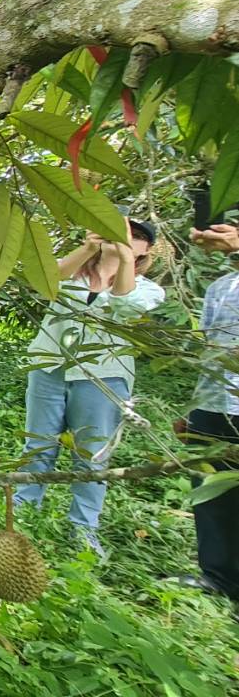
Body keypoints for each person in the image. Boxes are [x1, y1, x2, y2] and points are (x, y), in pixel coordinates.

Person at [14, 220, 165, 559]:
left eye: (138, 237)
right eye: (120, 229)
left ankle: (83, 529)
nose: (126, 237)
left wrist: (124, 260)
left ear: (146, 251)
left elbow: (125, 307)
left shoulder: (149, 289)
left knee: (93, 456)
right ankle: (24, 512)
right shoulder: (74, 275)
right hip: (49, 367)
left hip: (105, 377)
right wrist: (86, 247)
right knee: (38, 444)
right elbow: (43, 283)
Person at [182, 221, 239, 607]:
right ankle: (217, 576)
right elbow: (209, 354)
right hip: (214, 404)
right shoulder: (220, 288)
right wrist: (194, 408)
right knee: (211, 496)